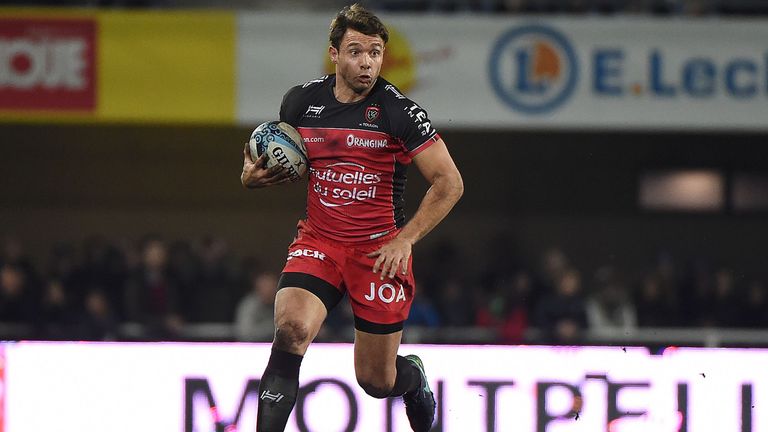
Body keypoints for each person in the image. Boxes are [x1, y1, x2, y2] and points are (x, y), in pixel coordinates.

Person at [240, 4, 463, 431]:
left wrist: (405, 240)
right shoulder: (301, 101)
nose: (367, 62)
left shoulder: (400, 112)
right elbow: (271, 152)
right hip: (319, 241)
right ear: (334, 54)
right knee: (290, 331)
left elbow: (449, 183)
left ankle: (413, 378)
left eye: (376, 52)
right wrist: (250, 174)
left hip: (379, 252)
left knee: (376, 381)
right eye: (357, 51)